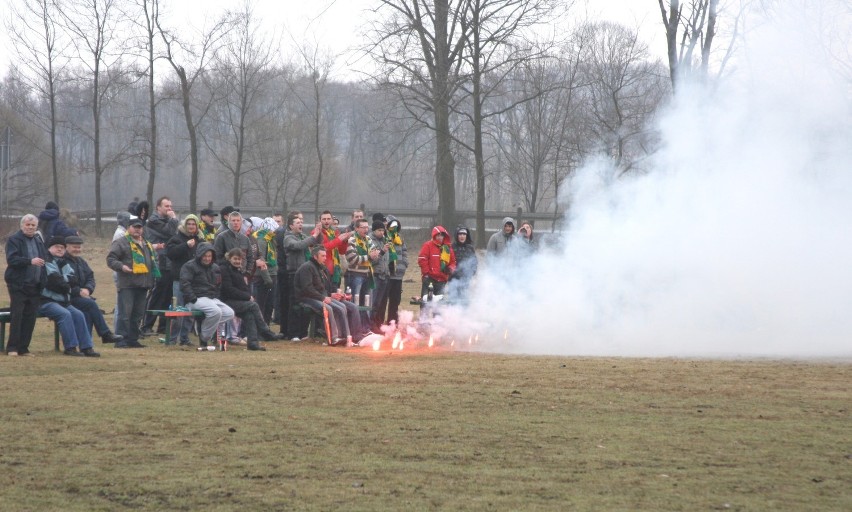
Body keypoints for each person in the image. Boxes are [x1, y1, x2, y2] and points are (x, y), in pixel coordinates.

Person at [37, 237, 100, 357]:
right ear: (49, 248)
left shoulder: (63, 261)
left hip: (63, 301)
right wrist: (66, 282)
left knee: (79, 314)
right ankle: (70, 348)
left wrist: (64, 281)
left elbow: (74, 279)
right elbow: (53, 281)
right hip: (46, 301)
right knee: (65, 314)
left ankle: (86, 347)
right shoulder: (46, 261)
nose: (60, 249)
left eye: (62, 248)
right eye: (57, 247)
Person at [295, 246, 368, 346]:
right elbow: (307, 289)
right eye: (323, 256)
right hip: (307, 298)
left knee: (350, 306)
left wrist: (333, 294)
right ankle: (334, 338)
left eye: (325, 255)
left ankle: (352, 337)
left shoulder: (322, 268)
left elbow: (326, 287)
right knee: (329, 308)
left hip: (322, 296)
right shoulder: (307, 267)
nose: (325, 258)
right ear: (315, 256)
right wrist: (323, 298)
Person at [220, 248, 286, 350]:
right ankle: (266, 332)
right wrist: (247, 297)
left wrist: (248, 296)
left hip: (237, 302)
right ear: (229, 259)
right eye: (235, 259)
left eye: (239, 259)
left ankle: (253, 344)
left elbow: (243, 288)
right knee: (253, 305)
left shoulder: (238, 271)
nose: (237, 261)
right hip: (226, 302)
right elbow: (228, 290)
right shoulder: (224, 270)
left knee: (249, 314)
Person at [107, 216, 158, 348]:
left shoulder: (146, 243)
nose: (137, 230)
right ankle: (121, 340)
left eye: (139, 227)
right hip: (127, 284)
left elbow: (153, 262)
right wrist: (121, 267)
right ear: (128, 228)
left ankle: (133, 339)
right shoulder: (121, 242)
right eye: (134, 227)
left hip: (143, 284)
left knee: (138, 314)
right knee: (125, 314)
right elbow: (111, 259)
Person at [64, 235, 123, 344]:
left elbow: (90, 277)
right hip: (68, 297)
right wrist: (78, 291)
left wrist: (87, 289)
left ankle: (86, 344)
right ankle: (105, 334)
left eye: (79, 247)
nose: (77, 250)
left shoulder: (81, 261)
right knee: (90, 305)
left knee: (88, 310)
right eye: (74, 247)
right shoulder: (62, 262)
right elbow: (64, 282)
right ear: (66, 247)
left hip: (82, 297)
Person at [4, 214, 47, 356]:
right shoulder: (14, 240)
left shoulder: (38, 240)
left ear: (36, 227)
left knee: (30, 317)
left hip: (35, 285)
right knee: (17, 316)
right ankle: (12, 348)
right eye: (27, 225)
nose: (30, 227)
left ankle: (24, 348)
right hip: (18, 284)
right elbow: (12, 260)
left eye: (33, 225)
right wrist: (30, 261)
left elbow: (44, 259)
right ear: (22, 225)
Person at [180, 242, 234, 349]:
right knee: (216, 312)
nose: (207, 258)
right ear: (199, 255)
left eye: (209, 256)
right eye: (205, 256)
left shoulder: (215, 267)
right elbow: (185, 284)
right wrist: (193, 299)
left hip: (211, 298)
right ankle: (204, 337)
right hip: (195, 299)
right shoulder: (189, 266)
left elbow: (218, 284)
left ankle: (203, 328)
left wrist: (216, 296)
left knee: (229, 313)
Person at [141, 196, 179, 336]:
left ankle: (163, 326)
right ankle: (146, 325)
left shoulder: (168, 221)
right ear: (158, 207)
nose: (169, 209)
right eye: (166, 206)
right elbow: (169, 232)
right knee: (156, 294)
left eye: (170, 206)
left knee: (168, 295)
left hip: (169, 262)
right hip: (159, 262)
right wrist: (174, 219)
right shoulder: (153, 221)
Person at [166, 214, 205, 346]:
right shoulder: (176, 239)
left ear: (197, 226)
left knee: (191, 311)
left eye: (193, 224)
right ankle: (172, 338)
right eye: (189, 224)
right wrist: (185, 246)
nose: (191, 226)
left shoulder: (201, 240)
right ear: (184, 225)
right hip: (179, 280)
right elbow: (170, 254)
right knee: (178, 309)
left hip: (195, 281)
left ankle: (184, 338)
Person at [282, 212, 320, 340]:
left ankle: (303, 332)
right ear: (291, 226)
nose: (301, 224)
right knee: (295, 304)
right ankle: (293, 333)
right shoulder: (288, 238)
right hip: (294, 275)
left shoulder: (302, 236)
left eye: (301, 222)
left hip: (305, 275)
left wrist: (318, 233)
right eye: (298, 223)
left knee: (306, 303)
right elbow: (299, 246)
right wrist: (313, 236)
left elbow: (312, 245)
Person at [345, 219, 380, 306]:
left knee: (367, 303)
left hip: (368, 274)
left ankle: (366, 320)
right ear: (356, 228)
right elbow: (352, 259)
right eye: (363, 227)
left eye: (367, 227)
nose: (366, 230)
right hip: (355, 275)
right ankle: (354, 319)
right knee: (354, 303)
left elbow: (375, 255)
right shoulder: (351, 240)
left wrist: (374, 255)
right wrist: (369, 257)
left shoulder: (368, 239)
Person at [381, 215, 408, 325]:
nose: (394, 227)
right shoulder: (384, 237)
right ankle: (379, 323)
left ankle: (392, 323)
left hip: (399, 274)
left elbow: (404, 251)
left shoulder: (400, 238)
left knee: (395, 301)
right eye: (392, 225)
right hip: (388, 274)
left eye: (396, 225)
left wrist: (405, 263)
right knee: (383, 300)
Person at [252, 217, 279, 324]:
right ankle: (261, 328)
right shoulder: (261, 240)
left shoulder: (269, 239)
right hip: (263, 277)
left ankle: (266, 327)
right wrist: (268, 279)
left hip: (272, 274)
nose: (275, 232)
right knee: (262, 304)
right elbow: (261, 260)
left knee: (269, 304)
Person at [417, 225, 457, 298]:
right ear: (434, 236)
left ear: (444, 236)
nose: (440, 237)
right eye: (438, 235)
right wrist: (426, 273)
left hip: (442, 280)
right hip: (429, 279)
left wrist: (450, 269)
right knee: (426, 302)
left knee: (439, 304)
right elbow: (422, 259)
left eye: (441, 235)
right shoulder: (427, 245)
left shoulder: (448, 248)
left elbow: (453, 262)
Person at [315, 210, 350, 292]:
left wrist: (344, 241)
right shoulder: (317, 232)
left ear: (332, 220)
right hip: (323, 270)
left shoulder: (334, 233)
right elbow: (323, 248)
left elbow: (341, 252)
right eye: (324, 219)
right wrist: (338, 240)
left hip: (335, 271)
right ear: (320, 221)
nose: (326, 221)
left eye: (328, 219)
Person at [368, 220, 391, 329]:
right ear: (374, 230)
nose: (382, 232)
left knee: (380, 304)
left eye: (383, 230)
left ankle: (377, 324)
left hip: (384, 275)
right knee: (373, 303)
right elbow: (372, 261)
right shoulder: (370, 241)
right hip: (375, 276)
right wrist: (382, 252)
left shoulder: (384, 240)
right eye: (379, 230)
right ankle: (371, 324)